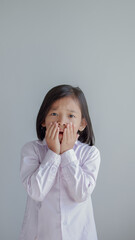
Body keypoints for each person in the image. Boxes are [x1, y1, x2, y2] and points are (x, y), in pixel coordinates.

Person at [19, 84, 101, 240]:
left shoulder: (90, 153)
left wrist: (67, 153)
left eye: (71, 116)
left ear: (82, 124)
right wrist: (53, 153)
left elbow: (81, 194)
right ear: (43, 120)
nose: (62, 121)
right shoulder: (31, 150)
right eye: (54, 113)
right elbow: (36, 192)